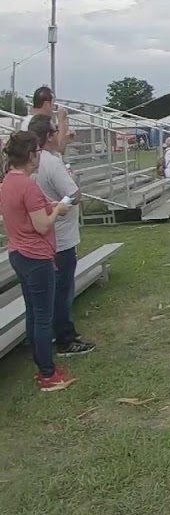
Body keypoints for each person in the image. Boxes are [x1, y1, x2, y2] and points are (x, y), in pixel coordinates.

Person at [0, 130, 75, 391]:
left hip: (18, 253)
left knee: (33, 313)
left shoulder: (8, 181)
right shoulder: (28, 185)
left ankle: (43, 366)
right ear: (31, 155)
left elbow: (25, 212)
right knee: (43, 317)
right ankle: (47, 374)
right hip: (36, 256)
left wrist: (49, 205)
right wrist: (57, 210)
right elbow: (42, 225)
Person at [30, 115, 96, 358]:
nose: (61, 134)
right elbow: (73, 194)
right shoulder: (50, 163)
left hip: (44, 236)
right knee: (62, 290)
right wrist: (67, 198)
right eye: (57, 130)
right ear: (48, 136)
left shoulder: (33, 162)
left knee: (54, 290)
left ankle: (59, 334)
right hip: (61, 238)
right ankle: (65, 339)